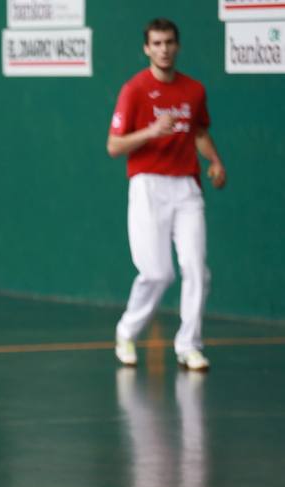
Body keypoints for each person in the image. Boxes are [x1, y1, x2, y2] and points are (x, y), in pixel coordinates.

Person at [107, 18, 226, 371]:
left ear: (178, 46)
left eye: (169, 42)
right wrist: (151, 130)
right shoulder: (134, 89)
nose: (163, 49)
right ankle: (127, 331)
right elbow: (114, 145)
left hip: (187, 187)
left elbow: (199, 131)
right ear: (147, 48)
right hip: (147, 185)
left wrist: (216, 161)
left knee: (196, 271)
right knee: (158, 273)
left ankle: (189, 344)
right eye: (156, 43)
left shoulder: (194, 90)